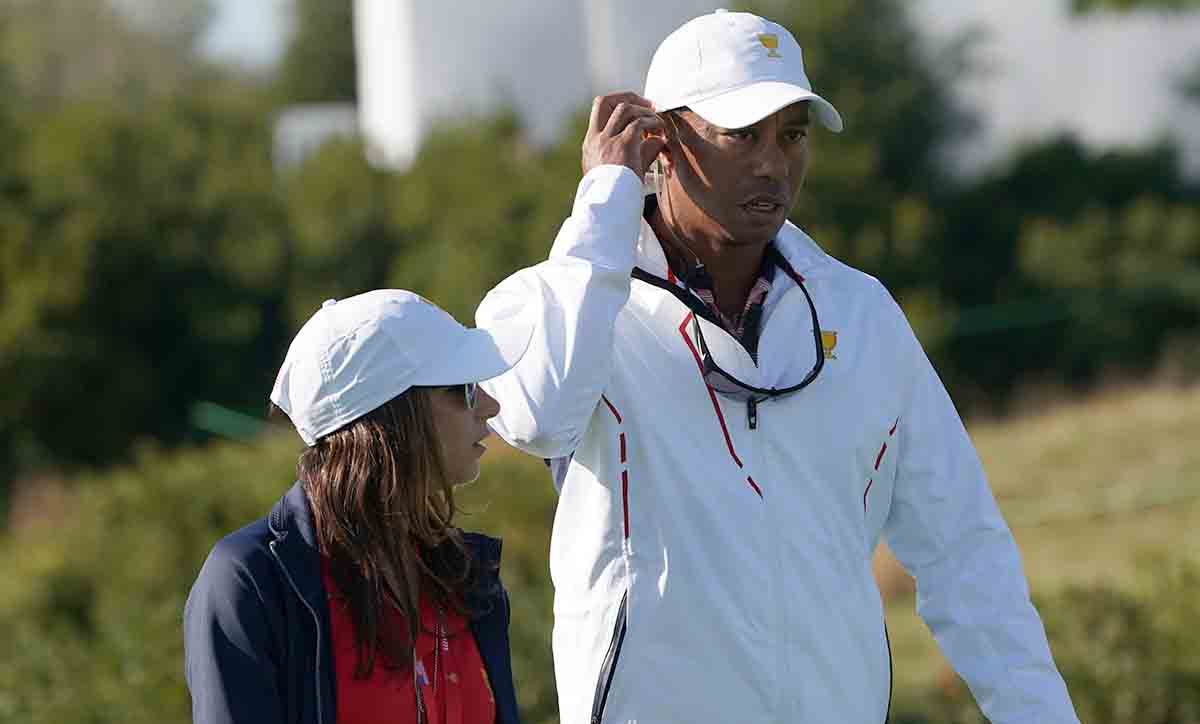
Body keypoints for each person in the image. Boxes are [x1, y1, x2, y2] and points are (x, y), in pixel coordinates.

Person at [475, 9, 1080, 723]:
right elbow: (540, 416)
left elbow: (964, 551)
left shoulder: (861, 313)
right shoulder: (561, 297)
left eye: (792, 134)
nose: (773, 161)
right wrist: (604, 204)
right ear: (659, 142)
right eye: (743, 134)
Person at [184, 289, 533, 724]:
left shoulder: (465, 574)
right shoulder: (252, 580)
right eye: (462, 388)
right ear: (390, 415)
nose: (489, 405)